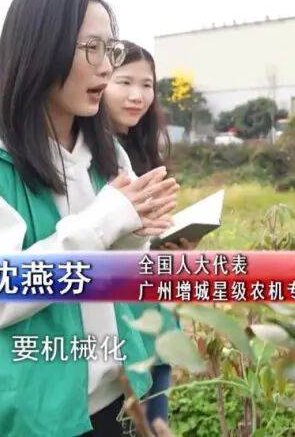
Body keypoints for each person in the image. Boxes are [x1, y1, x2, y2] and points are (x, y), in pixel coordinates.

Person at [0, 0, 179, 436]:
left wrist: (134, 234)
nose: (105, 68)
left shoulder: (107, 154)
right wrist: (105, 221)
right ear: (41, 48)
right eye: (91, 48)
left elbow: (111, 277)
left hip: (113, 397)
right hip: (30, 415)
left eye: (111, 50)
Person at [101, 40, 196, 429]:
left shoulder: (140, 150)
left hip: (155, 313)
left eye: (147, 85)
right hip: (118, 324)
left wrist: (173, 246)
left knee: (154, 421)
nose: (137, 96)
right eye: (124, 82)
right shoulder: (85, 156)